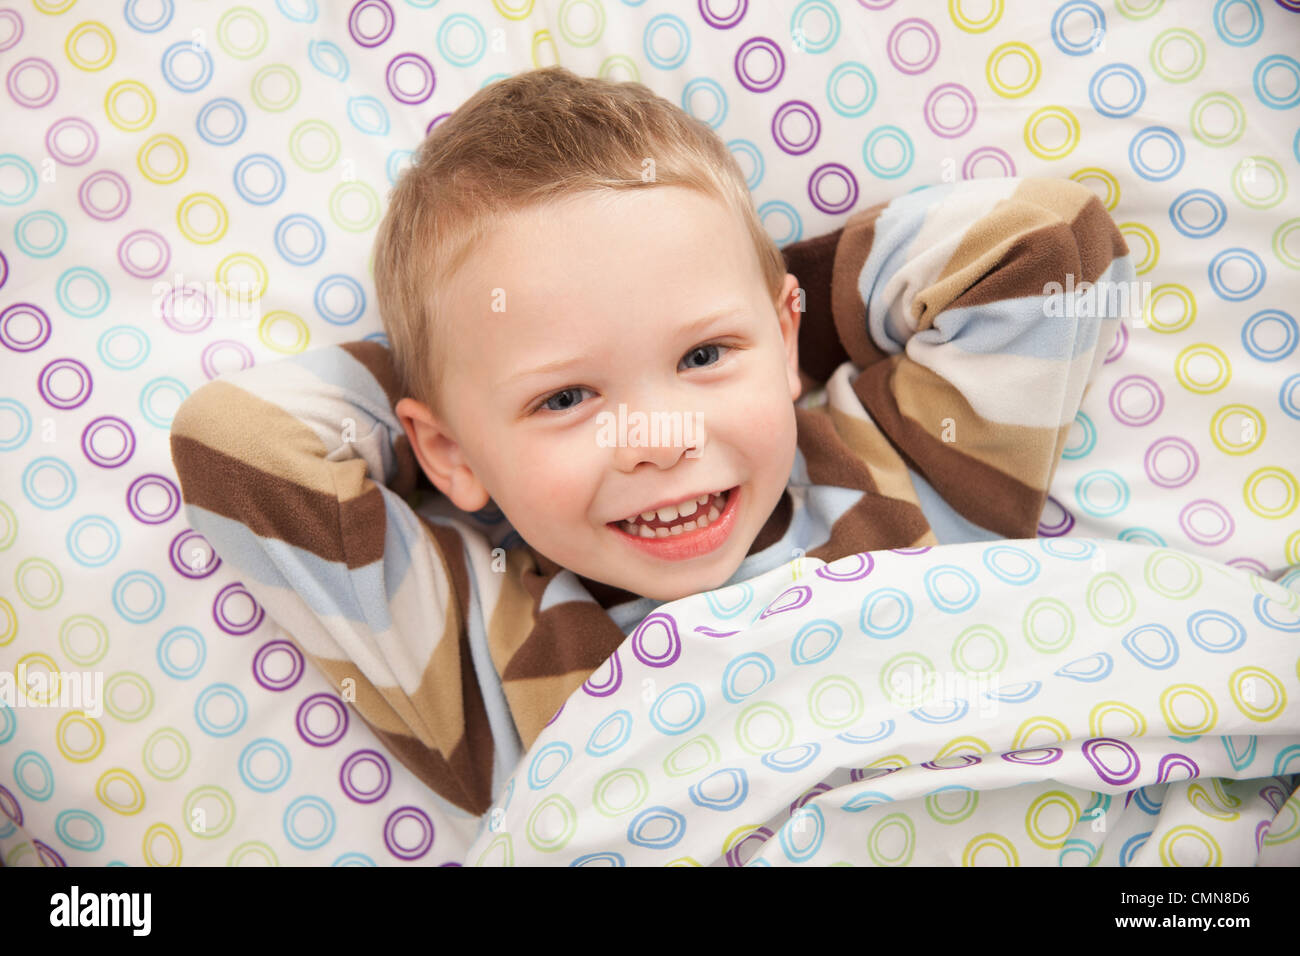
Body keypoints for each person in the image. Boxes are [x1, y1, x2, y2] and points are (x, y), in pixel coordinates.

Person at [169, 66, 1136, 818]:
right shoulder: (482, 659)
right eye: (565, 398)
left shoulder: (905, 471)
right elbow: (240, 444)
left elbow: (1048, 245)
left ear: (785, 333)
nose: (659, 439)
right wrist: (454, 385)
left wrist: (768, 320)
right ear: (449, 455)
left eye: (703, 354)